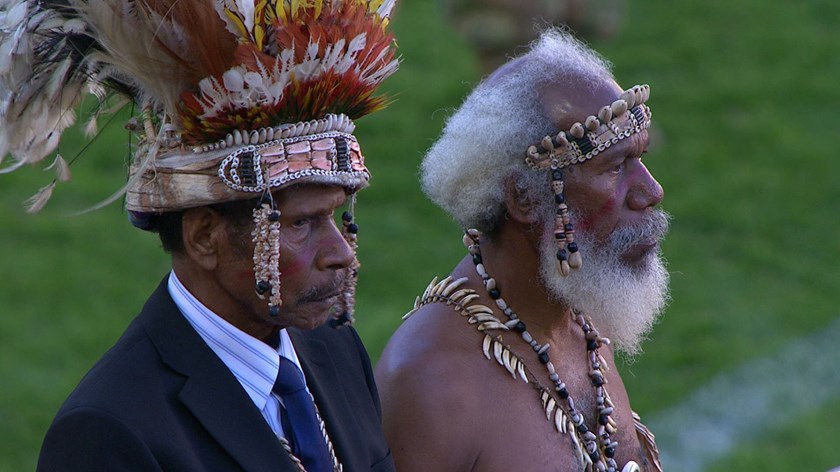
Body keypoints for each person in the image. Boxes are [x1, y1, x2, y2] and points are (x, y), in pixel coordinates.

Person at [1, 1, 399, 470]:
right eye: (299, 223)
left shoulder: (337, 350)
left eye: (335, 217)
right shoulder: (109, 432)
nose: (341, 255)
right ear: (205, 237)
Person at [376, 29, 669, 472]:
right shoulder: (434, 382)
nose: (651, 191)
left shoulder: (581, 328)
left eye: (641, 160)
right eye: (614, 168)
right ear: (525, 199)